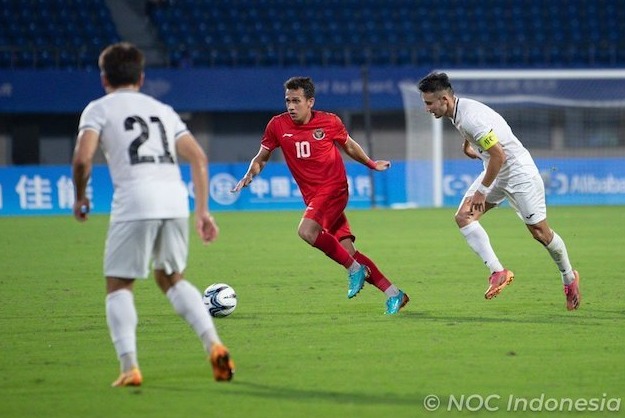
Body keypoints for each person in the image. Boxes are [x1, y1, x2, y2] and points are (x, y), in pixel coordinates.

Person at [72, 42, 235, 387]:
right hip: (174, 199)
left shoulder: (97, 109)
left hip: (135, 201)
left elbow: (83, 159)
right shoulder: (162, 109)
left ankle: (129, 366)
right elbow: (199, 159)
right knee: (171, 278)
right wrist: (203, 211)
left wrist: (80, 196)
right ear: (141, 77)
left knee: (119, 285)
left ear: (104, 79)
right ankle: (214, 345)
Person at [231, 76, 409, 314]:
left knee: (306, 231)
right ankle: (394, 294)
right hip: (314, 196)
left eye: (296, 101)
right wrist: (250, 173)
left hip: (334, 189)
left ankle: (354, 270)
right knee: (348, 253)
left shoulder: (329, 122)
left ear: (310, 101)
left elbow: (349, 145)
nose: (291, 106)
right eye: (287, 101)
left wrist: (370, 164)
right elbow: (261, 156)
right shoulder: (277, 125)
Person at [417, 72, 581, 310]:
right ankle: (498, 272)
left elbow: (499, 155)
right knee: (464, 217)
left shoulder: (470, 117)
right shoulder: (459, 112)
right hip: (496, 170)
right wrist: (469, 146)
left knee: (540, 233)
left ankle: (569, 278)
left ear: (444, 100)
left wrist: (482, 191)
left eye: (429, 103)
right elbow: (484, 137)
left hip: (518, 173)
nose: (427, 108)